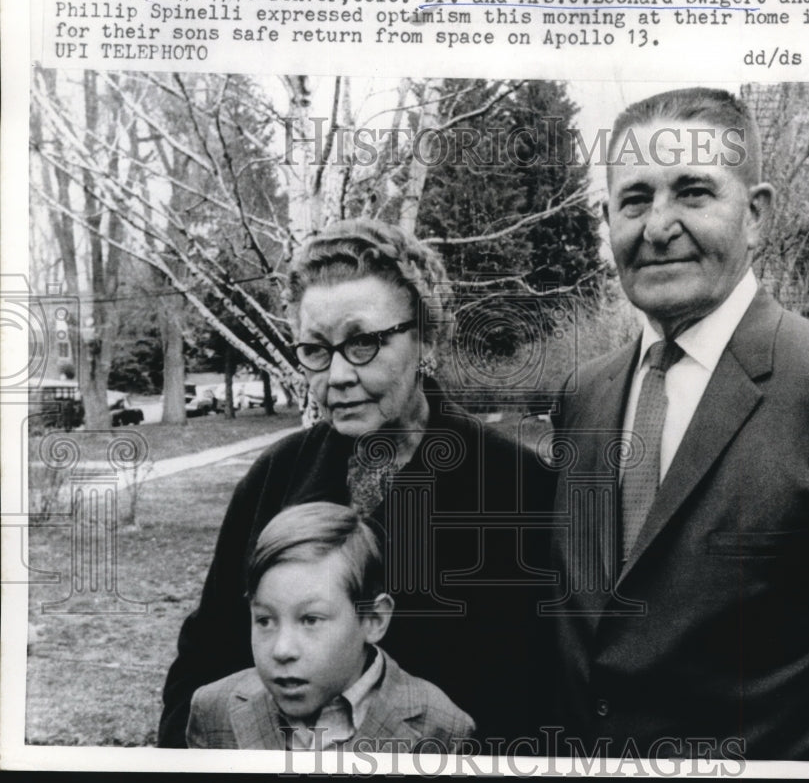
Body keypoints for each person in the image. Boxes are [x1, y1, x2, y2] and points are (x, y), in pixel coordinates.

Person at [546, 88, 809, 761]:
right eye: (634, 200)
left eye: (692, 193)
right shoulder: (584, 397)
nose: (658, 227)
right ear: (606, 221)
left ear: (756, 215)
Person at [160, 220, 554, 749]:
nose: (338, 375)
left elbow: (540, 694)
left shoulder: (518, 488)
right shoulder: (275, 478)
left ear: (427, 336)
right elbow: (206, 658)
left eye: (363, 342)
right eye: (316, 350)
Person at [185, 502, 474, 750]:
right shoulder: (213, 710)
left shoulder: (442, 727)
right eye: (265, 620)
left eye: (311, 620)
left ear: (374, 620)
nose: (282, 650)